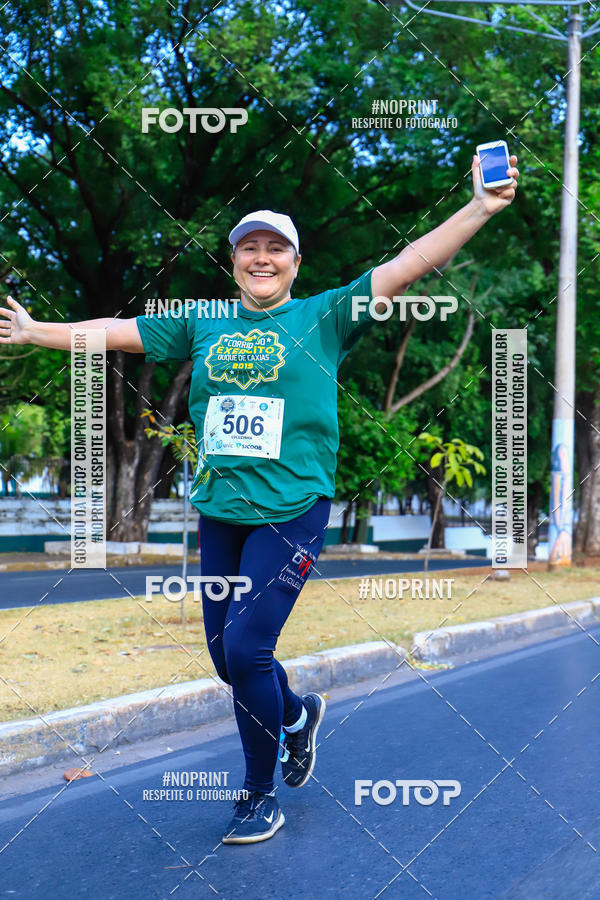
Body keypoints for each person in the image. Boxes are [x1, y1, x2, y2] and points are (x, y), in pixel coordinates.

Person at [0, 153, 519, 844]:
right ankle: (298, 715)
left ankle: (257, 794)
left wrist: (479, 207)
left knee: (248, 647)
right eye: (250, 247)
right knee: (226, 659)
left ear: (296, 263)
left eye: (276, 248)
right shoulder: (203, 321)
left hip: (293, 510)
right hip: (221, 512)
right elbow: (118, 333)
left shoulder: (326, 315)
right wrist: (37, 332)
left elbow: (408, 264)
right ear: (235, 261)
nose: (262, 257)